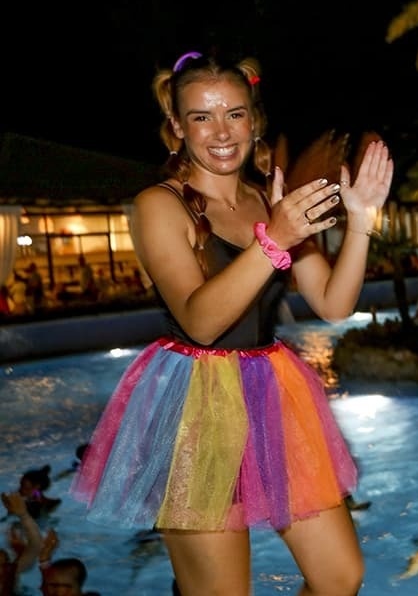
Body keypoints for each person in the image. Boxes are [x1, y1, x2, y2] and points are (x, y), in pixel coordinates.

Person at [69, 51, 394, 596]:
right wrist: (275, 242)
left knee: (341, 576)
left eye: (235, 114)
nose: (221, 131)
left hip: (272, 394)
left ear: (255, 120)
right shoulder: (159, 205)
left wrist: (359, 222)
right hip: (194, 402)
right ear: (177, 127)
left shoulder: (271, 201)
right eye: (201, 116)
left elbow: (333, 305)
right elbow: (199, 321)